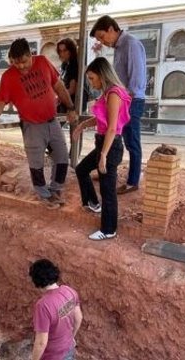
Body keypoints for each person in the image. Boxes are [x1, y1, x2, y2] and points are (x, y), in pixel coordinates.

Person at [0, 38, 78, 208]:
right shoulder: (8, 76)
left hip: (52, 121)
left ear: (31, 55)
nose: (20, 66)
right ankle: (43, 194)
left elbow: (59, 87)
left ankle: (55, 189)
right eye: (15, 62)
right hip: (32, 126)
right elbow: (0, 102)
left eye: (24, 61)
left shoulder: (42, 62)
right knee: (36, 163)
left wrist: (71, 108)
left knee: (62, 157)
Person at [73, 57, 131, 241]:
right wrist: (82, 126)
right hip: (103, 143)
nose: (91, 82)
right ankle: (93, 203)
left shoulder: (114, 94)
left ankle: (108, 229)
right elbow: (101, 120)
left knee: (108, 189)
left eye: (92, 78)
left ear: (102, 75)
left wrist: (104, 155)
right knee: (82, 169)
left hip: (110, 146)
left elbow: (112, 127)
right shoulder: (107, 93)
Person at [90, 15, 146, 195]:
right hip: (121, 99)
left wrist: (122, 101)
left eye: (102, 36)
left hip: (131, 100)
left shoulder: (131, 44)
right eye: (98, 39)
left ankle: (132, 181)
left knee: (131, 141)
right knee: (113, 136)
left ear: (111, 29)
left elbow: (136, 78)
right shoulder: (119, 47)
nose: (102, 41)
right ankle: (105, 169)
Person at [29, 259, 83, 360]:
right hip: (68, 350)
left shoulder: (43, 306)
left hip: (52, 356)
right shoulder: (69, 291)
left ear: (36, 280)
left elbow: (41, 342)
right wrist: (72, 337)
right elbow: (78, 318)